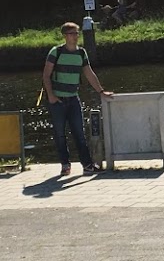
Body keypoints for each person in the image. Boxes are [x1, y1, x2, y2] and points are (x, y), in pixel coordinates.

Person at [42, 22, 113, 176]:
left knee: (79, 133)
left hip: (73, 99)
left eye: (77, 33)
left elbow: (89, 73)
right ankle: (65, 165)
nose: (76, 36)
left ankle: (87, 165)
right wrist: (52, 96)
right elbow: (46, 75)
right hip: (57, 100)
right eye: (72, 33)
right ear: (65, 35)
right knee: (60, 134)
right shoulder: (56, 52)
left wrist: (101, 91)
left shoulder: (81, 53)